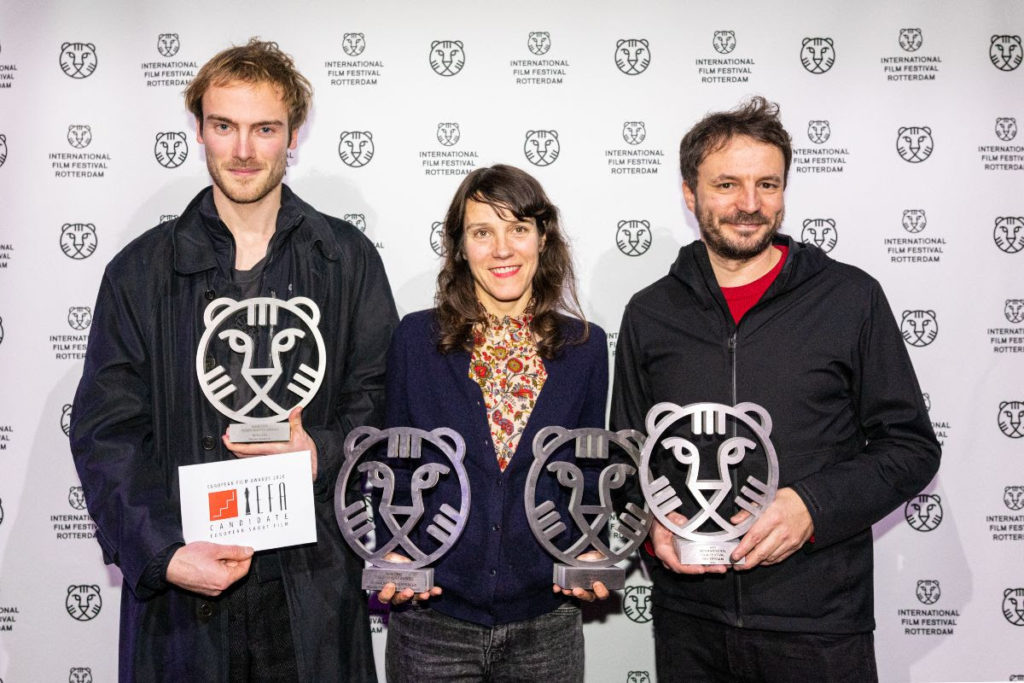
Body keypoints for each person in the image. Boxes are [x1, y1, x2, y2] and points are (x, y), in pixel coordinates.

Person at [70, 38, 396, 681]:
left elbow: (383, 403)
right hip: (187, 600)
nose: (243, 150)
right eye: (224, 126)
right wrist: (162, 553)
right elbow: (107, 433)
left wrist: (321, 452)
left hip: (311, 584)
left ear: (293, 136)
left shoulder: (348, 260)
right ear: (199, 129)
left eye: (264, 129)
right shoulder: (139, 272)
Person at [611, 97, 941, 682]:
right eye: (727, 185)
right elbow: (627, 454)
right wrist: (648, 525)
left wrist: (811, 506)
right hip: (691, 625)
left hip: (817, 625)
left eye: (768, 184)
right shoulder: (651, 313)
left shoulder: (850, 299)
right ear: (690, 194)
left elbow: (910, 448)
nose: (749, 204)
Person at [378, 164, 609, 682]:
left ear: (542, 239)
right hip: (433, 620)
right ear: (460, 247)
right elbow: (390, 462)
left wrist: (592, 544)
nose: (502, 250)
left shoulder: (585, 347)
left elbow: (591, 470)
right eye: (483, 232)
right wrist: (389, 547)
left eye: (518, 229)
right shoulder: (417, 339)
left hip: (546, 623)